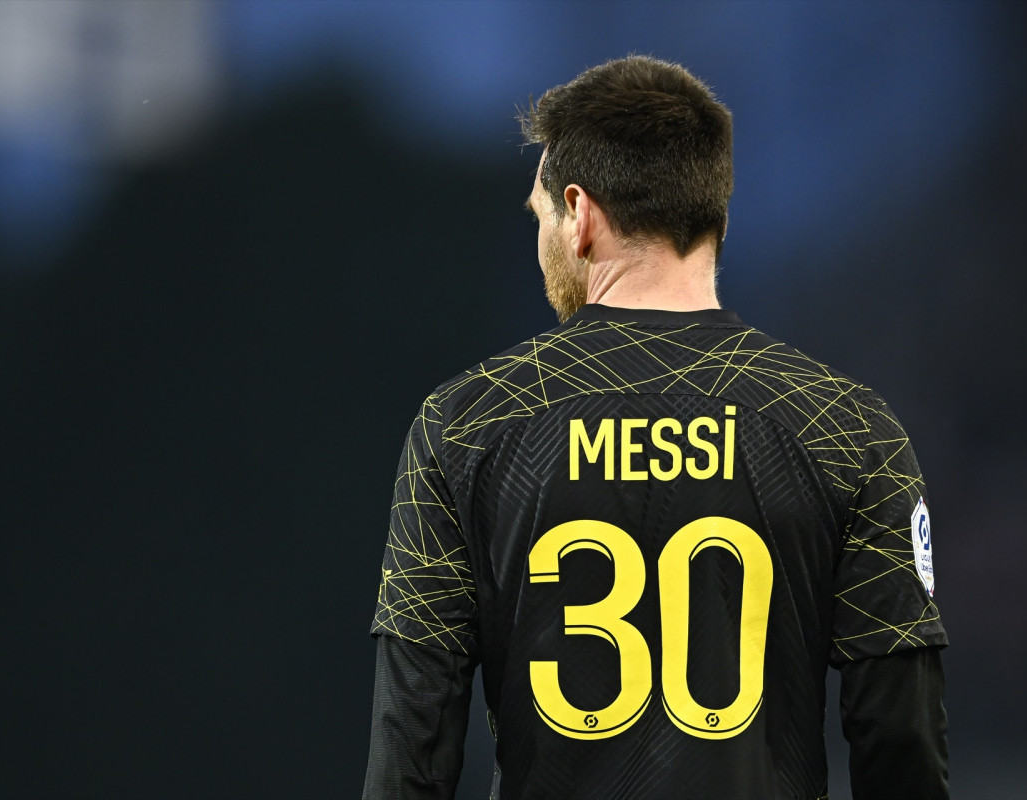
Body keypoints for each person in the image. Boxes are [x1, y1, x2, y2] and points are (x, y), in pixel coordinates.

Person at [363, 55, 948, 800]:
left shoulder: (467, 425)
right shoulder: (848, 430)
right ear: (715, 216)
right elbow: (901, 738)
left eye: (539, 215)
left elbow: (412, 746)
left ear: (579, 214)